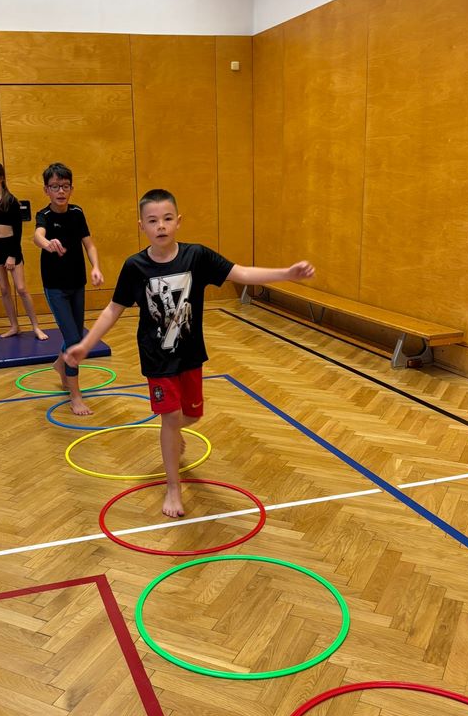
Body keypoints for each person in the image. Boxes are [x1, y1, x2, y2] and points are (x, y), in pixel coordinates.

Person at [65, 188, 315, 517]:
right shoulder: (135, 266)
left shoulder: (196, 257)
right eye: (153, 220)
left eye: (167, 218)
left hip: (190, 355)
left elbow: (240, 273)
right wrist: (86, 344)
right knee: (170, 418)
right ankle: (173, 487)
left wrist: (286, 274)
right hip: (157, 358)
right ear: (141, 226)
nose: (161, 226)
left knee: (193, 416)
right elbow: (114, 309)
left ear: (178, 221)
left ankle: (174, 434)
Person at [33, 162, 104, 415]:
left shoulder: (77, 212)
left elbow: (89, 244)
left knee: (76, 336)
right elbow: (37, 236)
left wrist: (96, 267)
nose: (60, 191)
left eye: (64, 186)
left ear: (71, 188)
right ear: (46, 190)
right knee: (74, 340)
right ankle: (75, 396)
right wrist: (47, 244)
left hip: (78, 284)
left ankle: (60, 363)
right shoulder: (44, 215)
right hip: (55, 288)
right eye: (55, 187)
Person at [0, 161, 48, 340]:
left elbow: (17, 232)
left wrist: (12, 255)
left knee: (21, 288)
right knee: (4, 289)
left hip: (10, 248)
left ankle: (36, 327)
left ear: (1, 178)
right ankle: (14, 326)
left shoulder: (11, 201)